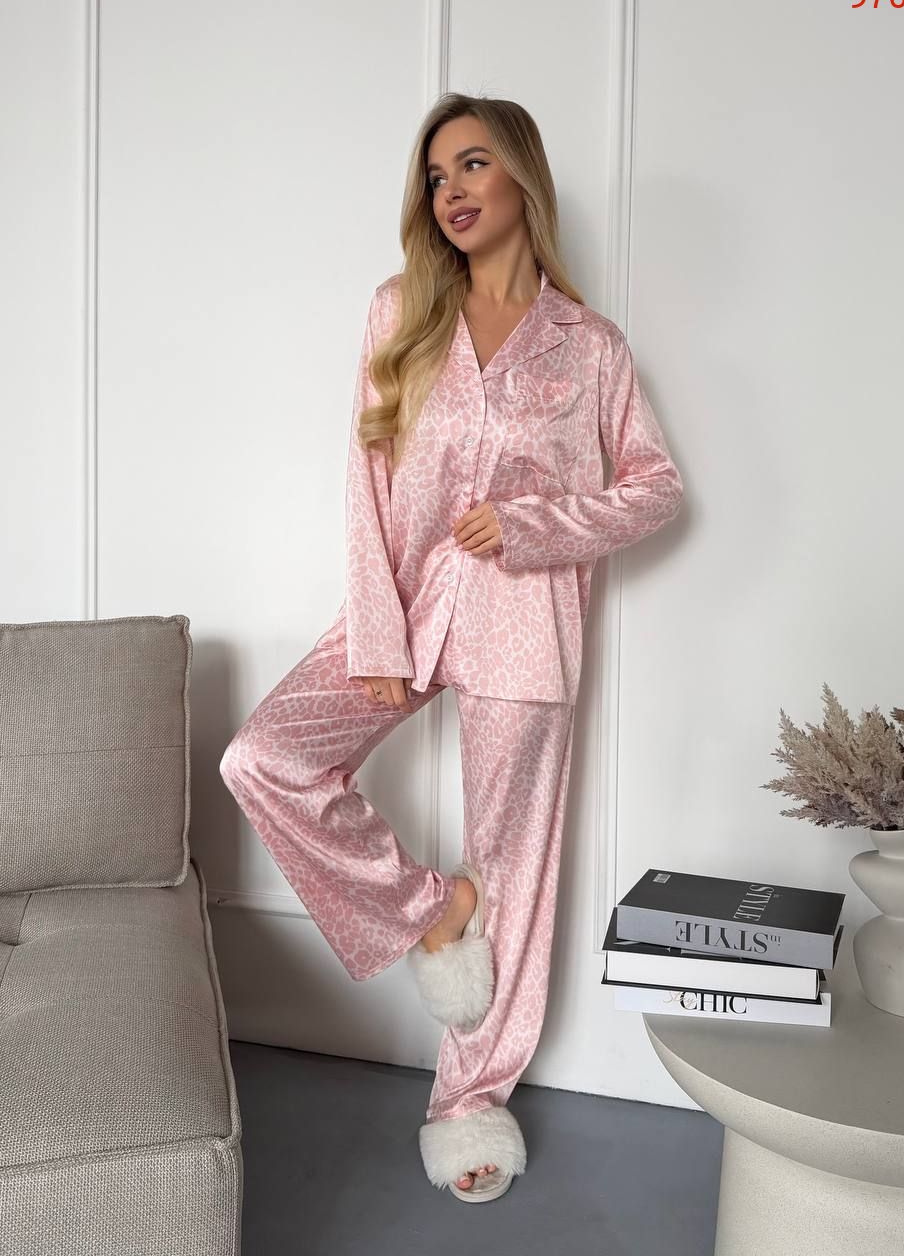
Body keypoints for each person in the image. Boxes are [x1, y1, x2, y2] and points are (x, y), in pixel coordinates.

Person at [219, 91, 684, 1203]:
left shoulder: (589, 346)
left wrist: (534, 524)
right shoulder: (399, 312)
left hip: (526, 616)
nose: (452, 190)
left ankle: (470, 1096)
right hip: (407, 600)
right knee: (263, 758)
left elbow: (656, 487)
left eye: (473, 164)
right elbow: (365, 480)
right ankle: (432, 908)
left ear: (523, 173)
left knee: (514, 857)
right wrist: (377, 628)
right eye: (436, 176)